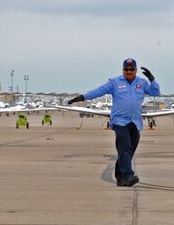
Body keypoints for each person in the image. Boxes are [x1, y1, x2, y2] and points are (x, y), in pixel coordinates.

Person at [68, 58, 159, 186]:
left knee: (128, 150)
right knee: (125, 147)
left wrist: (152, 79)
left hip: (135, 121)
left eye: (132, 69)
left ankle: (120, 179)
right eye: (126, 69)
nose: (129, 71)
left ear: (136, 70)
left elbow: (156, 92)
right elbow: (99, 91)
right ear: (122, 70)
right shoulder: (114, 82)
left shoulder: (142, 83)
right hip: (120, 121)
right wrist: (83, 97)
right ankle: (128, 175)